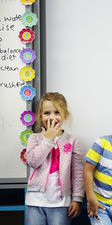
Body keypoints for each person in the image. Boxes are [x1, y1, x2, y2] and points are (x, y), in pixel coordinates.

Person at [25, 92, 85, 225]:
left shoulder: (72, 141)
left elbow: (78, 173)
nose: (52, 117)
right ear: (40, 116)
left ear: (65, 115)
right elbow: (33, 161)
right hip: (35, 201)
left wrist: (77, 199)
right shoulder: (34, 138)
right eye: (47, 113)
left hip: (61, 203)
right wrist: (48, 139)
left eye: (57, 112)